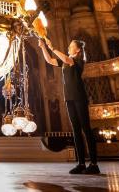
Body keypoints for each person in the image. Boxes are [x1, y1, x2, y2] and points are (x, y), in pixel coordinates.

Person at [39, 37, 100, 175]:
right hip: (69, 98)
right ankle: (81, 163)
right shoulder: (65, 62)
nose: (68, 46)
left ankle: (94, 164)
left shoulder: (78, 61)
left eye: (71, 45)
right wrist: (43, 47)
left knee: (86, 129)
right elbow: (49, 60)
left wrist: (52, 47)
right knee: (76, 131)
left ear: (77, 50)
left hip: (79, 97)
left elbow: (67, 59)